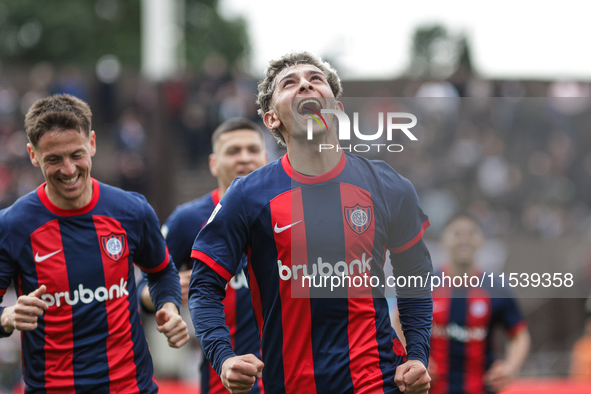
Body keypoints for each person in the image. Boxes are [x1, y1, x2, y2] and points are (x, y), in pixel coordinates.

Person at [189, 52, 433, 394]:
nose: (305, 83)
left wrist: (419, 356)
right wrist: (223, 357)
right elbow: (203, 287)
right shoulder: (247, 195)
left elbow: (416, 276)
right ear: (272, 119)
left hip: (377, 384)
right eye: (290, 83)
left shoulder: (386, 184)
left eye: (315, 79)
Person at [0, 94, 189, 393]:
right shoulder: (12, 225)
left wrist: (169, 307)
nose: (69, 169)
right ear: (33, 155)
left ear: (93, 143)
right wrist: (6, 317)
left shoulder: (131, 210)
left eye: (76, 154)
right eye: (53, 159)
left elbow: (161, 271)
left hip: (131, 387)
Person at [140, 117, 267, 393]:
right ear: (213, 163)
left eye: (253, 150)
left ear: (266, 157)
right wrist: (165, 295)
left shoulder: (289, 213)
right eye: (233, 151)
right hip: (221, 382)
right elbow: (143, 288)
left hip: (288, 379)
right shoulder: (187, 220)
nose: (245, 158)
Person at [429, 212, 530, 394]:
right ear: (443, 241)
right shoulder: (425, 286)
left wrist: (510, 368)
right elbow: (398, 321)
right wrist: (413, 359)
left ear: (481, 241)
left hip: (482, 388)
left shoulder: (497, 288)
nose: (464, 240)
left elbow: (519, 335)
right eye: (457, 234)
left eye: (471, 233)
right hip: (432, 389)